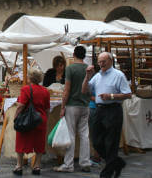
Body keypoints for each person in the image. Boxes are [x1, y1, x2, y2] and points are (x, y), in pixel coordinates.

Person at [82, 52, 132, 178]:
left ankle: (107, 173)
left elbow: (128, 94)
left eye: (103, 61)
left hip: (113, 110)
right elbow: (84, 91)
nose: (101, 64)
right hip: (99, 110)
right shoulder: (98, 76)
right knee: (96, 141)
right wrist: (87, 77)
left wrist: (110, 96)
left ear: (110, 61)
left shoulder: (118, 75)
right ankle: (116, 162)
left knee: (111, 142)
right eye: (99, 61)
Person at [53, 45, 91, 173]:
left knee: (71, 135)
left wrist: (63, 107)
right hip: (85, 105)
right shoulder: (88, 69)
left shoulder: (70, 69)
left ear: (74, 54)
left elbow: (67, 90)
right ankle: (85, 162)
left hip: (72, 105)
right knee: (84, 135)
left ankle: (68, 164)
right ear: (84, 56)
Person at [13, 68, 50, 176]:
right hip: (40, 120)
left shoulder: (25, 89)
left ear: (29, 78)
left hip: (27, 120)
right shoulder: (45, 91)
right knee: (39, 143)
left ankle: (19, 166)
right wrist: (45, 120)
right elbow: (47, 109)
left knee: (21, 140)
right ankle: (37, 166)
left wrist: (16, 117)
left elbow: (21, 106)